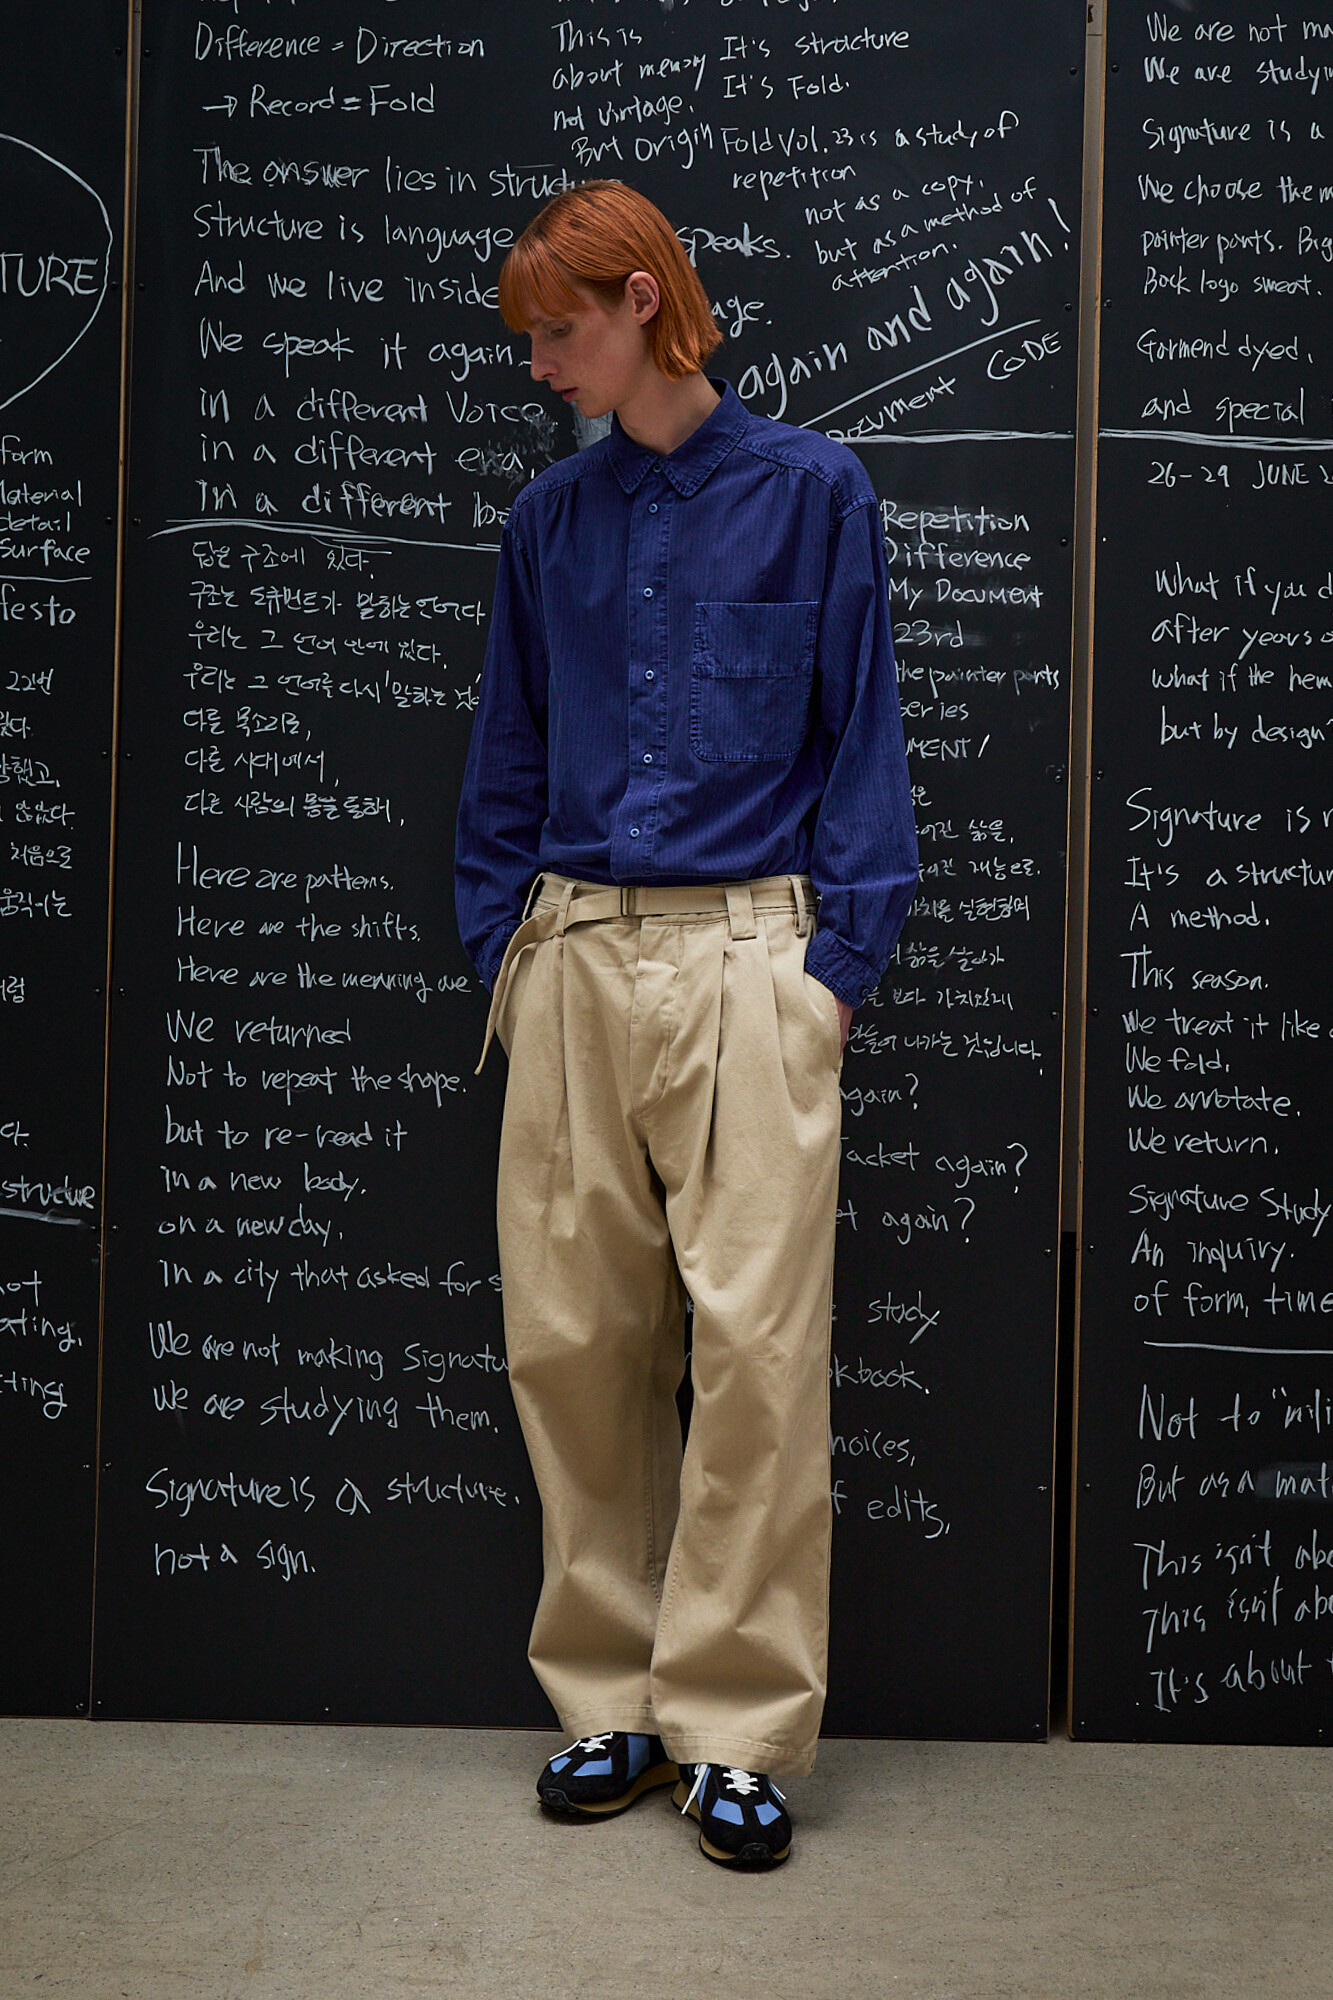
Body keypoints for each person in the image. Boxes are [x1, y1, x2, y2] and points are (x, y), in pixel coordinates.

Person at [455, 180, 918, 1870]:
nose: (538, 366)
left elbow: (860, 735)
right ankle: (611, 1703)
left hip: (750, 960)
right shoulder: (548, 521)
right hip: (574, 953)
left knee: (757, 1358)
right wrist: (503, 946)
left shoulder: (812, 492)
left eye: (556, 331)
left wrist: (832, 972)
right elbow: (508, 745)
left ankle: (736, 1728)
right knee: (571, 1344)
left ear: (642, 302)